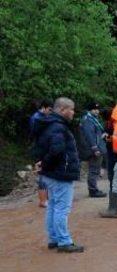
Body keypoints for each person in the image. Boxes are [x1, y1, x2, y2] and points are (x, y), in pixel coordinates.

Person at [32, 97, 84, 253]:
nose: (73, 112)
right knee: (61, 208)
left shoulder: (48, 124)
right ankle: (64, 241)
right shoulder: (58, 127)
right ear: (62, 110)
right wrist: (45, 163)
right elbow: (57, 150)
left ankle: (54, 239)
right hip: (60, 173)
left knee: (53, 206)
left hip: (51, 173)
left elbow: (44, 148)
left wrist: (43, 164)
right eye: (71, 109)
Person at [80, 102, 107, 198]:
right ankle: (93, 190)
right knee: (94, 169)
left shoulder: (94, 119)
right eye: (94, 109)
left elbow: (96, 134)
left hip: (96, 146)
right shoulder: (88, 120)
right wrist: (95, 148)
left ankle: (93, 188)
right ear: (89, 110)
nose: (97, 111)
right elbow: (89, 135)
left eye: (97, 109)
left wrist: (102, 136)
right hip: (93, 148)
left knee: (94, 169)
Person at [29, 99, 53, 208]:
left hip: (45, 148)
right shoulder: (36, 118)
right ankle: (43, 201)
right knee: (42, 173)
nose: (50, 112)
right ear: (43, 107)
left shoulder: (44, 118)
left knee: (47, 173)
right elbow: (35, 134)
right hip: (40, 149)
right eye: (49, 109)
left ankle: (46, 199)